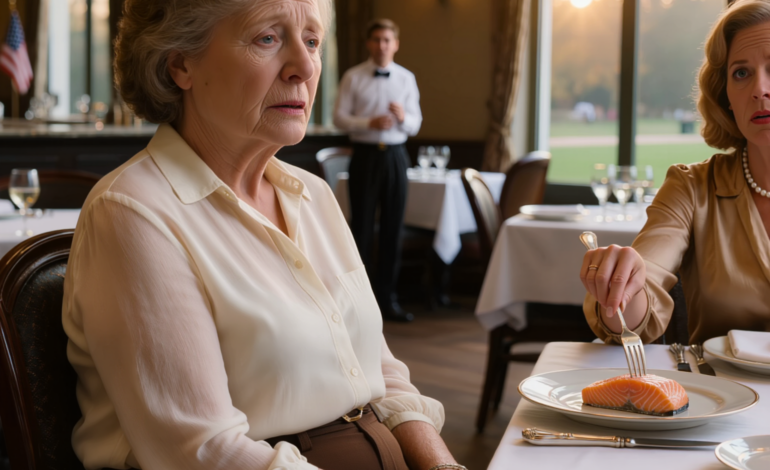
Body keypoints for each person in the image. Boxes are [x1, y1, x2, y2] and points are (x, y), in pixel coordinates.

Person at [61, 1, 463, 469]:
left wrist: (443, 466)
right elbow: (205, 452)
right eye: (267, 39)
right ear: (180, 64)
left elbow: (382, 373)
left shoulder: (313, 193)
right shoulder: (134, 213)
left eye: (312, 41)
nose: (306, 66)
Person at [579, 0, 770, 345]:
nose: (759, 89)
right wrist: (620, 290)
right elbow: (641, 299)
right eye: (741, 72)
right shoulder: (691, 189)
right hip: (722, 395)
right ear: (726, 95)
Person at [333, 19, 422, 323]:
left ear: (395, 44)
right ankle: (358, 301)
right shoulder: (352, 76)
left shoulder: (407, 78)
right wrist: (366, 124)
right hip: (365, 157)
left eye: (387, 40)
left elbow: (416, 123)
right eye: (377, 40)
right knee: (361, 229)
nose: (382, 45)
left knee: (392, 229)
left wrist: (403, 119)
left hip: (396, 156)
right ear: (369, 44)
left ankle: (388, 299)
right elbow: (339, 118)